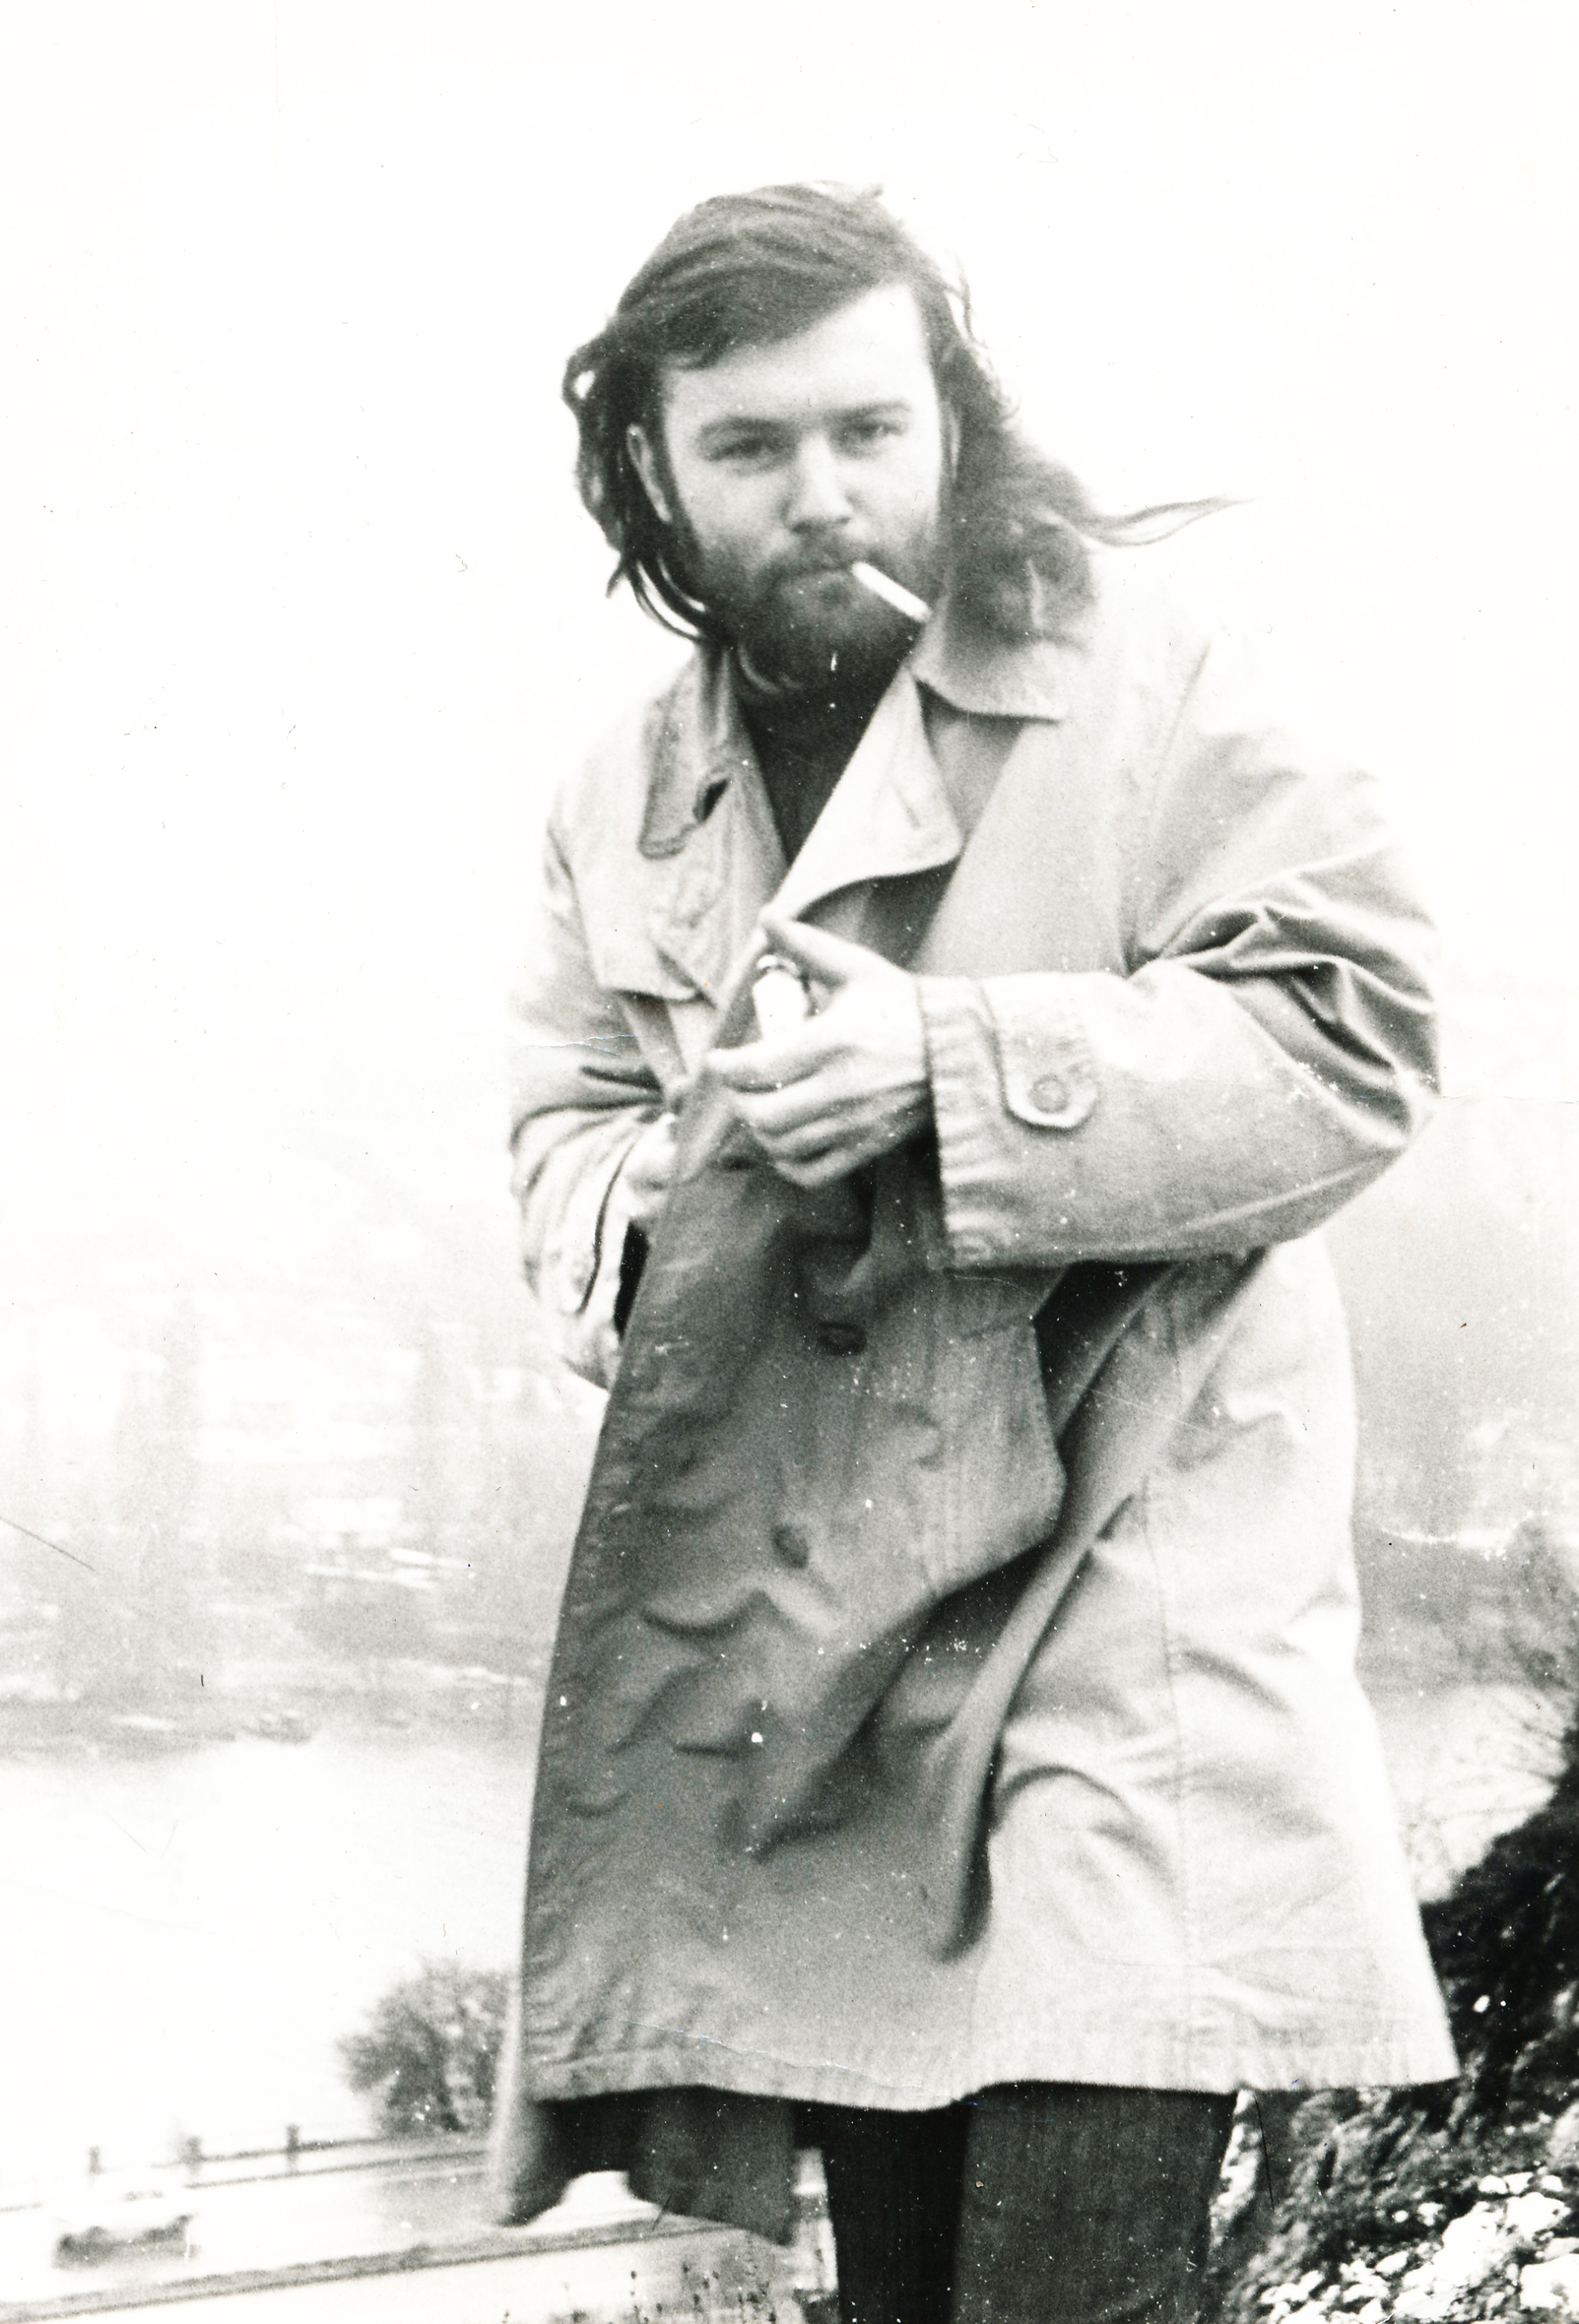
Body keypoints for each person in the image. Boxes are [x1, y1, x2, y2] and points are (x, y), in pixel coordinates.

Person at [496, 183, 1456, 2324]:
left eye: (868, 430)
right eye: (748, 448)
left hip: (1139, 1588)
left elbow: (1354, 1036)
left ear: (952, 415)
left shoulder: (1155, 673)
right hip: (844, 1633)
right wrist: (664, 1200)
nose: (819, 495)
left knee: (1066, 2288)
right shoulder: (621, 797)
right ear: (651, 465)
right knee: (911, 2294)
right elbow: (557, 1139)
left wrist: (947, 1072)